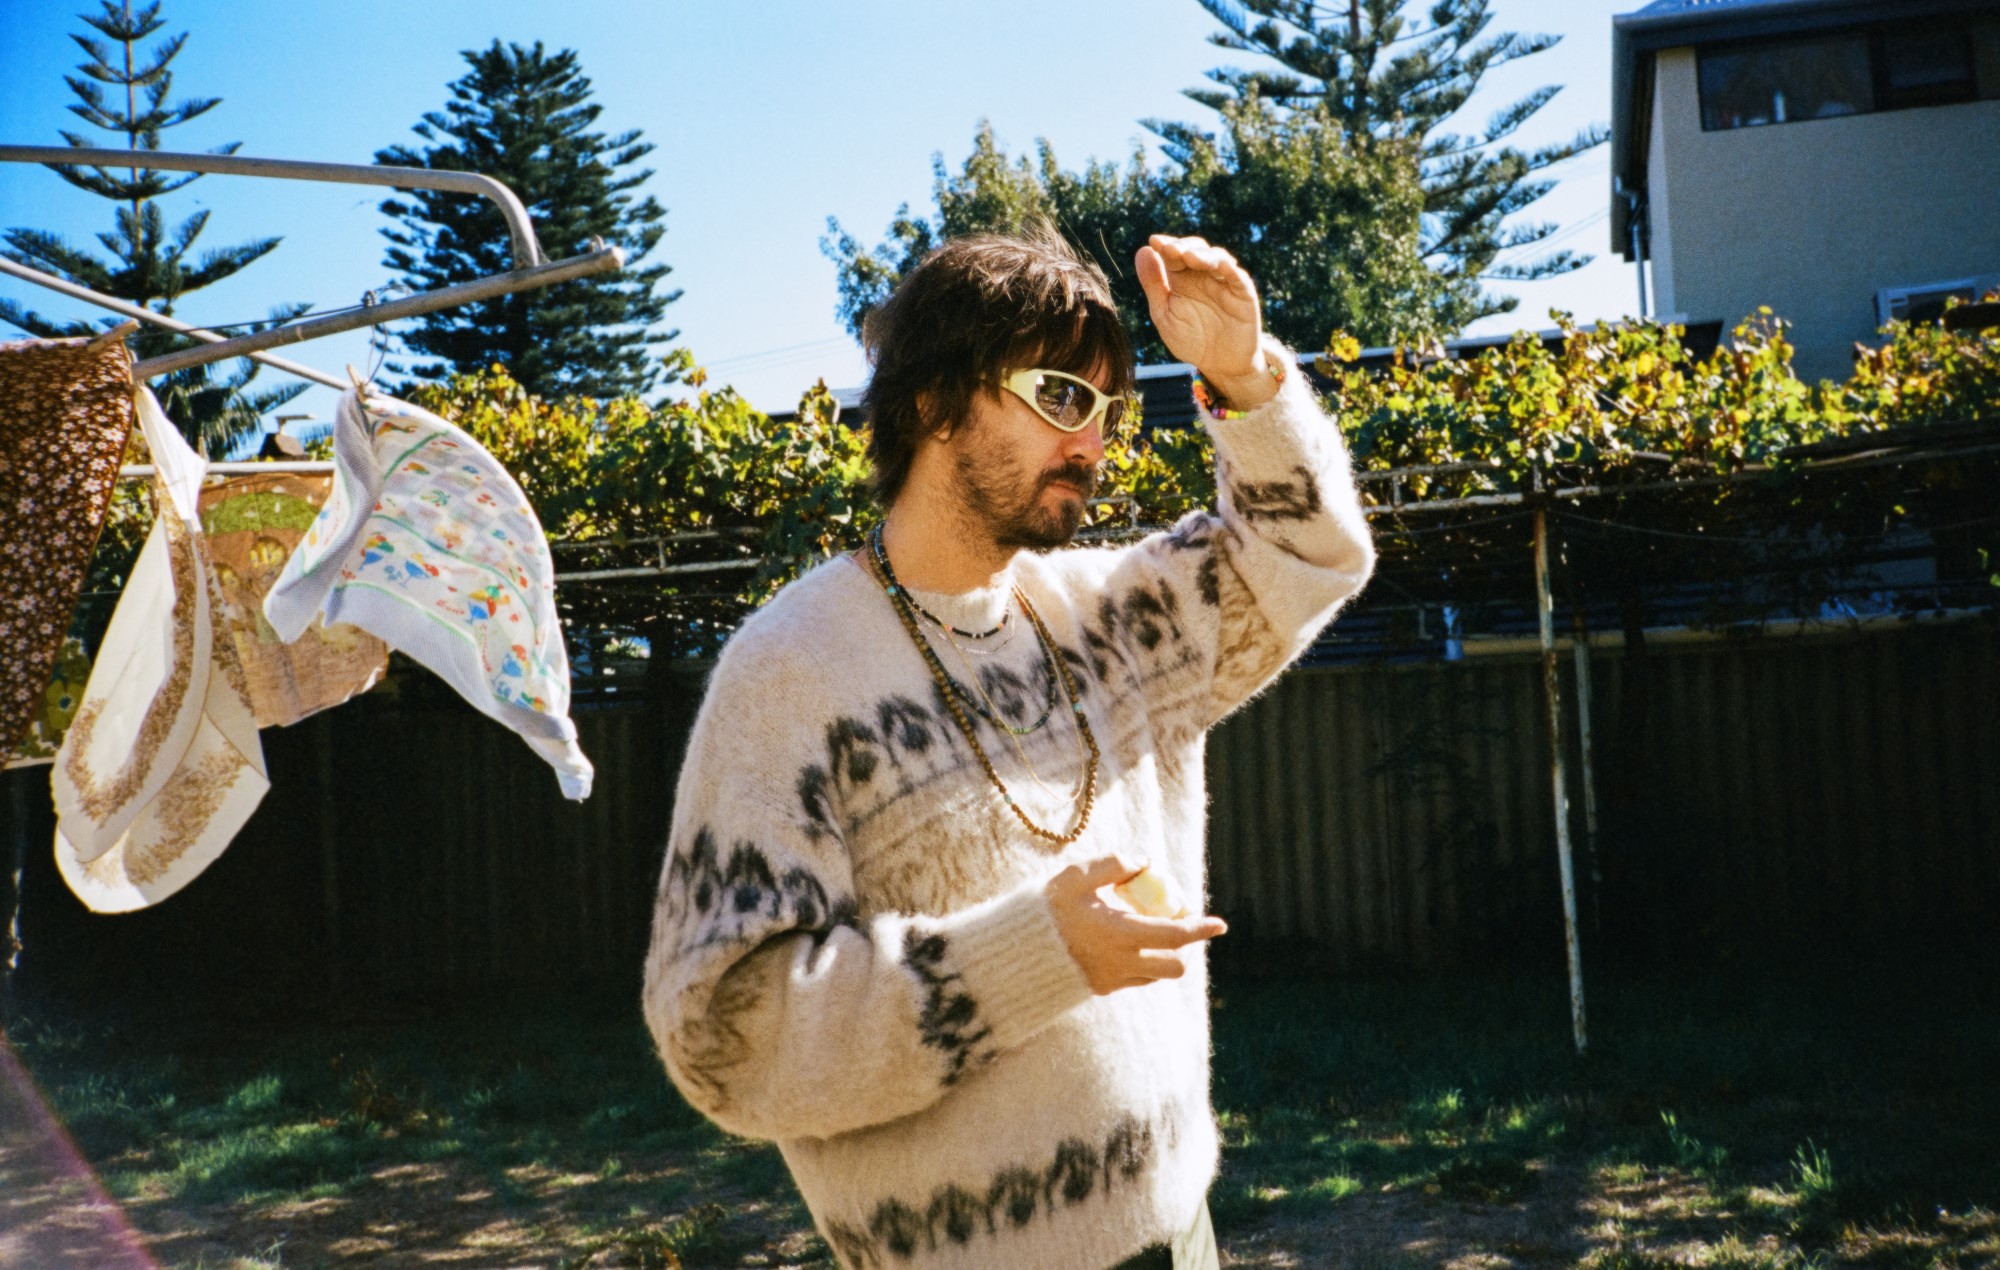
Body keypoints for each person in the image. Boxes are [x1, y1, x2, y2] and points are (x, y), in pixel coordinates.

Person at [642, 225, 1375, 1270]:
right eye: (1061, 397)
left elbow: (1306, 554)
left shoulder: (1106, 615)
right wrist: (1033, 956)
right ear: (935, 403)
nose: (1092, 443)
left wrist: (1245, 377)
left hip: (1182, 1234)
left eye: (1107, 409)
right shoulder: (788, 673)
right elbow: (726, 1034)